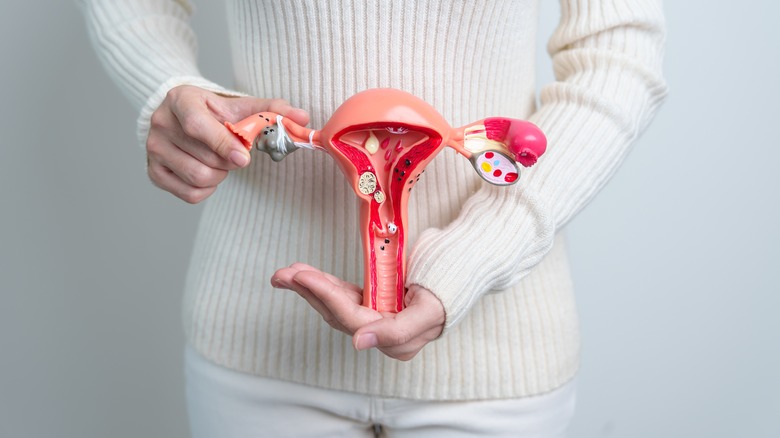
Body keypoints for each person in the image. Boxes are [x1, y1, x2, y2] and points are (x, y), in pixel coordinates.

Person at [78, 0, 667, 436]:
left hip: (495, 366)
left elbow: (618, 53)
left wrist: (468, 262)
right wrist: (168, 87)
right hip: (258, 351)